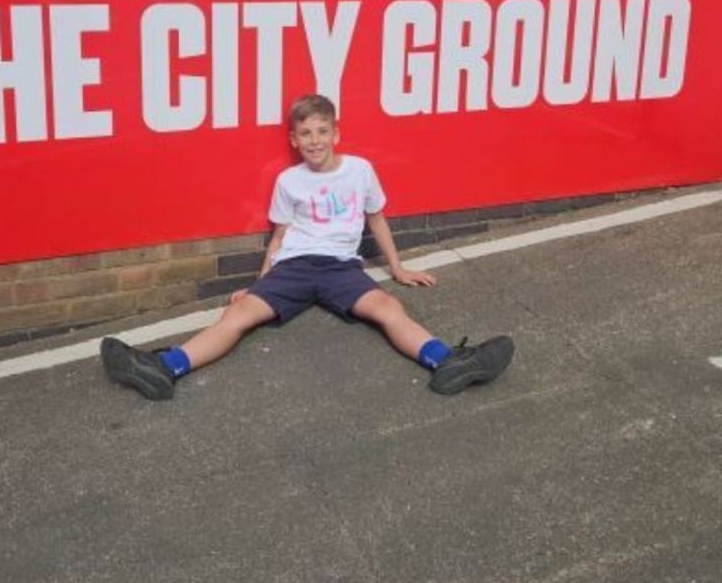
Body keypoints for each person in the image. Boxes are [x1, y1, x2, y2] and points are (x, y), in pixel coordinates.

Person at [102, 93, 514, 400]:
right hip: (295, 266)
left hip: (341, 267)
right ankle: (165, 367)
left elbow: (376, 218)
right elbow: (279, 238)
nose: (314, 140)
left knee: (388, 309)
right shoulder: (289, 181)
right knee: (239, 314)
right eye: (305, 134)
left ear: (336, 132)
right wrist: (259, 285)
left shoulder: (360, 171)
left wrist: (398, 269)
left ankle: (447, 361)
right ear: (294, 140)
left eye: (321, 131)